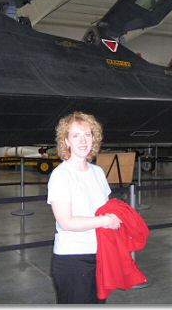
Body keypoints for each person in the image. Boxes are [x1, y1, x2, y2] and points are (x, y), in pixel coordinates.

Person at [47, 111, 122, 304]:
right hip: (73, 259)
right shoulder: (61, 175)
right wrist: (105, 221)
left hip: (100, 255)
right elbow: (66, 222)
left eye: (87, 134)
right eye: (76, 135)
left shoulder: (97, 172)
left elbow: (106, 208)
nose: (83, 140)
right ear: (66, 141)